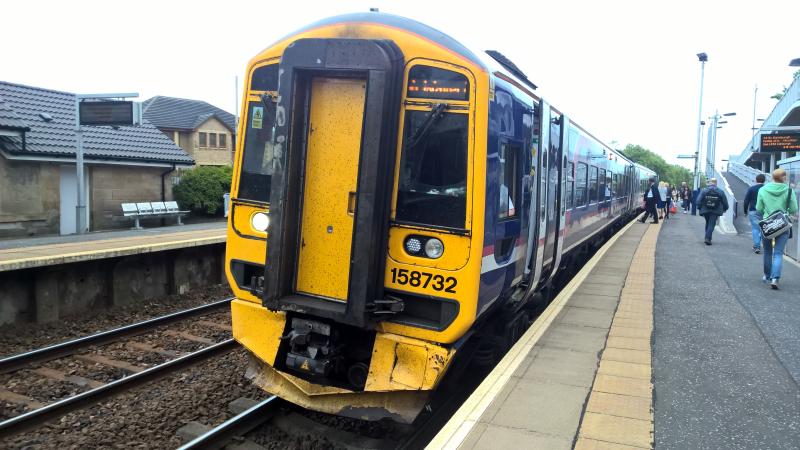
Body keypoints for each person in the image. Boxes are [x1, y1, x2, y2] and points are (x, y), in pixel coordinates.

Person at [756, 168, 798, 289]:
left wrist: (767, 212)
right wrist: (786, 211)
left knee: (768, 252)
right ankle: (775, 279)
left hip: (768, 225)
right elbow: (794, 208)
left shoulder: (763, 190)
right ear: (783, 178)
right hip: (782, 224)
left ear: (773, 177)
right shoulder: (789, 191)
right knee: (778, 253)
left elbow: (759, 208)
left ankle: (767, 275)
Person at [697, 178, 728, 245]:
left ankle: (707, 237)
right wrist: (725, 208)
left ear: (710, 182)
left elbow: (698, 200)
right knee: (711, 224)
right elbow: (725, 202)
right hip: (715, 210)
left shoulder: (704, 190)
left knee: (708, 222)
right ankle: (708, 238)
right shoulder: (720, 191)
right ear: (716, 183)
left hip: (705, 210)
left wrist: (699, 207)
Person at [742, 173, 766, 254]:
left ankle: (757, 246)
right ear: (764, 181)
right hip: (765, 211)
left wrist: (745, 211)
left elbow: (746, 201)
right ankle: (758, 243)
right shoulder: (766, 189)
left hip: (753, 211)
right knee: (763, 228)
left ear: (756, 180)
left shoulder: (751, 189)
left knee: (755, 228)